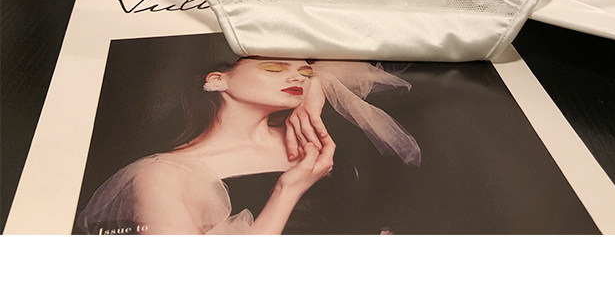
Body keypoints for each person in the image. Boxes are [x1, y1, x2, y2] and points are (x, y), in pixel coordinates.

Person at [74, 56, 420, 235]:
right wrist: (287, 190)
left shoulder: (315, 134)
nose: (297, 77)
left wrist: (316, 86)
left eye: (305, 72)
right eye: (273, 68)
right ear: (217, 80)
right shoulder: (161, 175)